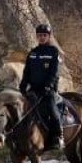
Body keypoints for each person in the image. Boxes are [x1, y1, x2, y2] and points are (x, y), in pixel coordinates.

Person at [20, 23, 64, 151]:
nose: (42, 37)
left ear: (49, 36)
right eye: (39, 35)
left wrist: (48, 86)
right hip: (33, 90)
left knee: (52, 110)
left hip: (48, 90)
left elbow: (54, 72)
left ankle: (58, 136)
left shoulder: (54, 52)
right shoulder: (33, 53)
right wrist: (23, 85)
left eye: (44, 35)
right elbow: (26, 71)